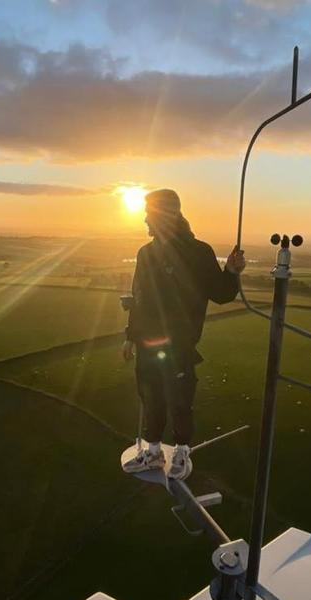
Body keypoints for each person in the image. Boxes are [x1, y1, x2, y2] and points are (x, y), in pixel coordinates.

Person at [121, 188, 245, 480]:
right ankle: (153, 452)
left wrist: (231, 272)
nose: (144, 220)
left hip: (179, 345)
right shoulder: (146, 253)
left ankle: (180, 452)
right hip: (147, 343)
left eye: (149, 214)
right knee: (151, 398)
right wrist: (130, 336)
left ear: (166, 216)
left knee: (179, 401)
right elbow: (139, 299)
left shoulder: (198, 252)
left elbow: (222, 293)